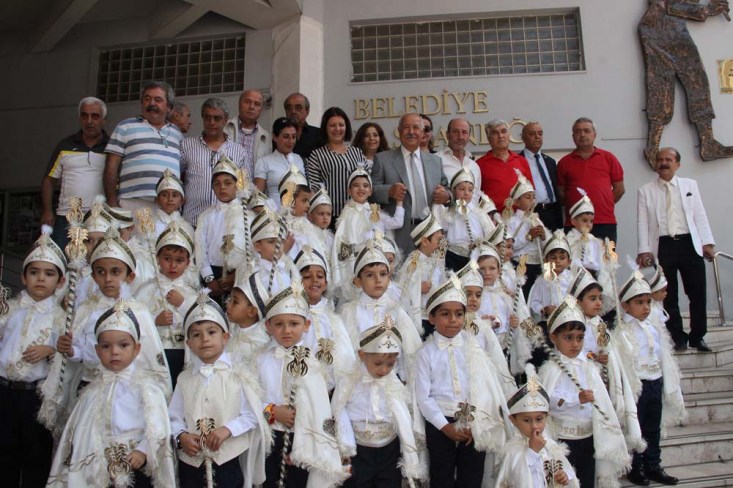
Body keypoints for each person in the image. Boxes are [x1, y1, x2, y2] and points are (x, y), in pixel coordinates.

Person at [47, 300, 177, 488]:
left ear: (137, 349)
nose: (114, 352)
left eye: (123, 345)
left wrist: (143, 451)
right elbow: (81, 434)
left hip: (135, 465)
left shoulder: (148, 388)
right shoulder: (91, 393)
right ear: (97, 351)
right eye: (106, 346)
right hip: (100, 469)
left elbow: (158, 425)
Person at [415, 276, 510, 488]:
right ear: (431, 318)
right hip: (441, 423)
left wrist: (476, 422)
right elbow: (424, 397)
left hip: (472, 421)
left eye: (459, 314)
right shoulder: (425, 353)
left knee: (471, 476)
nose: (453, 320)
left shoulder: (473, 345)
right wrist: (445, 426)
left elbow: (483, 385)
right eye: (445, 314)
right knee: (441, 476)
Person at [170, 293, 270, 488]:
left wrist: (228, 429)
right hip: (192, 464)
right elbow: (174, 417)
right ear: (189, 344)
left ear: (225, 337)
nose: (205, 339)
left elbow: (252, 414)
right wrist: (182, 436)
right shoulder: (184, 379)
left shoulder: (239, 374)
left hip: (227, 461)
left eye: (211, 332)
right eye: (196, 335)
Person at [258, 281, 350, 488]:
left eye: (294, 323)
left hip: (302, 442)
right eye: (279, 324)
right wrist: (272, 412)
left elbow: (318, 412)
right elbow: (250, 404)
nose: (287, 330)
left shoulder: (313, 364)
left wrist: (304, 450)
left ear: (306, 325)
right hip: (268, 438)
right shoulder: (259, 361)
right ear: (268, 326)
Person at [539, 296, 630, 488]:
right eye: (568, 338)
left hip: (588, 436)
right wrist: (576, 399)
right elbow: (546, 403)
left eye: (580, 338)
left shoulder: (588, 365)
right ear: (554, 337)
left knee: (587, 480)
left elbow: (600, 398)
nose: (575, 344)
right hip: (564, 439)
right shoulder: (550, 369)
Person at [0, 229, 66, 487]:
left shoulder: (61, 318)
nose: (41, 279)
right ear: (23, 277)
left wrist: (51, 349)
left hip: (36, 396)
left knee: (36, 456)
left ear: (60, 281)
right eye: (34, 272)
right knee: (5, 453)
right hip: (4, 391)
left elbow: (68, 354)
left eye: (49, 274)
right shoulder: (9, 310)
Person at [332, 317, 427, 487]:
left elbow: (402, 416)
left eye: (390, 365)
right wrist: (345, 445)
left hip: (388, 449)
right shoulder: (349, 381)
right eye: (378, 363)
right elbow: (338, 410)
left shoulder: (393, 383)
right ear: (362, 355)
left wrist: (408, 454)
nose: (384, 370)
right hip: (358, 449)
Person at [636, 147, 715, 352]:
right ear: (656, 164)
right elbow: (642, 222)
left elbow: (700, 215)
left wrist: (707, 242)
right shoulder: (645, 190)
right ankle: (678, 337)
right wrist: (644, 250)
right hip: (663, 245)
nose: (664, 163)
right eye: (660, 159)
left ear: (677, 164)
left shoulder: (690, 185)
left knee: (697, 292)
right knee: (668, 295)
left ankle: (698, 337)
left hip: (689, 243)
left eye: (668, 159)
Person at [639, 0, 733, 165]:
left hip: (667, 26)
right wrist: (707, 10)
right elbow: (671, 5)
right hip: (663, 27)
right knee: (672, 83)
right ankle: (705, 143)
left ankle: (705, 143)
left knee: (688, 81)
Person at [615, 271, 685, 486]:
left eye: (648, 302)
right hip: (638, 385)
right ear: (625, 306)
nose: (646, 307)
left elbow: (662, 355)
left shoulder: (653, 327)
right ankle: (635, 467)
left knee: (653, 428)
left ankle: (653, 465)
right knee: (637, 428)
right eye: (639, 303)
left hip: (655, 381)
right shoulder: (622, 330)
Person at [371, 112, 451, 255]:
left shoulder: (435, 161)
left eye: (416, 127)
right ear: (399, 131)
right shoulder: (383, 159)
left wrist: (447, 196)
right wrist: (389, 191)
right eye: (406, 127)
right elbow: (371, 192)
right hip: (398, 233)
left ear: (422, 132)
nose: (411, 132)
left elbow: (448, 190)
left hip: (430, 233)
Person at [135, 221, 198, 387]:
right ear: (157, 259)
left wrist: (183, 305)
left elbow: (200, 320)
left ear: (188, 262)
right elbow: (134, 321)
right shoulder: (145, 291)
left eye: (179, 260)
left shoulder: (192, 293)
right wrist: (155, 320)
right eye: (167, 259)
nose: (173, 265)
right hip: (155, 352)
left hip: (184, 353)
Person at [104, 80, 183, 212]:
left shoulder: (177, 134)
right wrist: (112, 202)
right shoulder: (125, 127)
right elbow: (111, 168)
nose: (152, 103)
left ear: (169, 107)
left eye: (158, 100)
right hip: (131, 202)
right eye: (147, 99)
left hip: (168, 206)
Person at [41, 97, 109, 248]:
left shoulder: (112, 147)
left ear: (104, 120)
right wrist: (47, 211)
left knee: (97, 261)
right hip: (65, 218)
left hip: (100, 219)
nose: (89, 121)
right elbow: (49, 180)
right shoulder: (65, 145)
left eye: (95, 116)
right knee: (62, 260)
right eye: (84, 116)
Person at [496, 365, 578, 488]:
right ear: (513, 420)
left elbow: (567, 471)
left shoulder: (550, 446)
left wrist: (565, 475)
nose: (534, 426)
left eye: (539, 419)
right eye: (526, 420)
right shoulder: (513, 451)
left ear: (547, 417)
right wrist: (532, 452)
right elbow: (516, 478)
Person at [332, 167, 404, 301]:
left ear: (370, 191)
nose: (361, 189)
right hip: (359, 267)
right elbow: (344, 246)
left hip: (377, 264)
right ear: (349, 190)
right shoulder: (347, 215)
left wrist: (399, 202)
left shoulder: (373, 211)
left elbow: (396, 223)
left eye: (365, 186)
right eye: (356, 185)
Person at [181, 98, 248, 227]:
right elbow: (175, 180)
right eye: (207, 118)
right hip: (192, 222)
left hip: (227, 225)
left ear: (226, 120)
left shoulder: (239, 151)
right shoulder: (187, 145)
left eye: (217, 118)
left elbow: (245, 188)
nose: (211, 122)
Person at [557, 118, 625, 243]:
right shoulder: (564, 163)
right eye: (578, 131)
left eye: (586, 131)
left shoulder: (608, 158)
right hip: (575, 224)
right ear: (573, 136)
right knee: (575, 255)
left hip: (604, 222)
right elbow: (561, 193)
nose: (582, 135)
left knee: (606, 255)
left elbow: (619, 189)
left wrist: (604, 203)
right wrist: (579, 208)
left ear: (594, 134)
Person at [194, 158, 246, 299]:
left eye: (228, 183)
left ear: (237, 185)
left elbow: (253, 251)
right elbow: (200, 250)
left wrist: (236, 275)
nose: (222, 187)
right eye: (217, 184)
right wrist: (209, 279)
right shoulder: (205, 216)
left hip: (240, 274)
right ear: (212, 188)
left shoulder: (248, 214)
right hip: (213, 275)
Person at [306, 107, 367, 220]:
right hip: (330, 216)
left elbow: (367, 181)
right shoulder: (317, 155)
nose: (337, 129)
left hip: (357, 214)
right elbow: (314, 187)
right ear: (325, 128)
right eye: (332, 125)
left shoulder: (357, 152)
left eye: (341, 125)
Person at [434, 168, 495, 271]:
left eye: (470, 190)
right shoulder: (448, 212)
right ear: (454, 190)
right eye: (462, 189)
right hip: (453, 257)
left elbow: (491, 234)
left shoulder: (479, 213)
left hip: (475, 258)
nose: (466, 193)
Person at [395, 214, 446, 337]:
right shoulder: (412, 263)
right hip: (420, 318)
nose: (441, 244)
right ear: (425, 241)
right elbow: (401, 289)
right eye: (438, 240)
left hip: (435, 317)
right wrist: (418, 287)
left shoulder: (436, 262)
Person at [476, 119, 534, 214]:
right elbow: (475, 197)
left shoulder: (521, 161)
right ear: (489, 138)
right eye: (495, 133)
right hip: (494, 220)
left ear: (509, 135)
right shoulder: (479, 165)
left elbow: (531, 192)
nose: (500, 136)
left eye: (504, 131)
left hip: (520, 218)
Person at [254, 117, 306, 208]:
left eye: (293, 137)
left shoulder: (298, 159)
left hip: (299, 213)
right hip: (275, 212)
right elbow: (257, 198)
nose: (290, 141)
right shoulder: (264, 162)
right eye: (286, 137)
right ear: (275, 137)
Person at [521, 121, 563, 231]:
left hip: (552, 212)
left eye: (540, 133)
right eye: (532, 134)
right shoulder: (518, 161)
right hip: (533, 212)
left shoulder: (550, 161)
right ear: (523, 138)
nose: (537, 137)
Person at [224, 89, 271, 178]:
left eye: (257, 104)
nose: (251, 107)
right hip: (227, 185)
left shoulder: (266, 137)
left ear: (261, 109)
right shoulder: (224, 128)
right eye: (247, 102)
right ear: (239, 104)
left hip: (254, 186)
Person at [439, 117, 482, 196]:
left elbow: (476, 196)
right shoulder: (436, 160)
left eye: (464, 132)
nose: (460, 137)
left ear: (469, 137)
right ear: (447, 135)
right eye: (455, 132)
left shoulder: (474, 166)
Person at [284, 92, 321, 160]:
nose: (293, 111)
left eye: (298, 108)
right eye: (289, 108)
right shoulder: (279, 135)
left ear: (307, 111)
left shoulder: (319, 134)